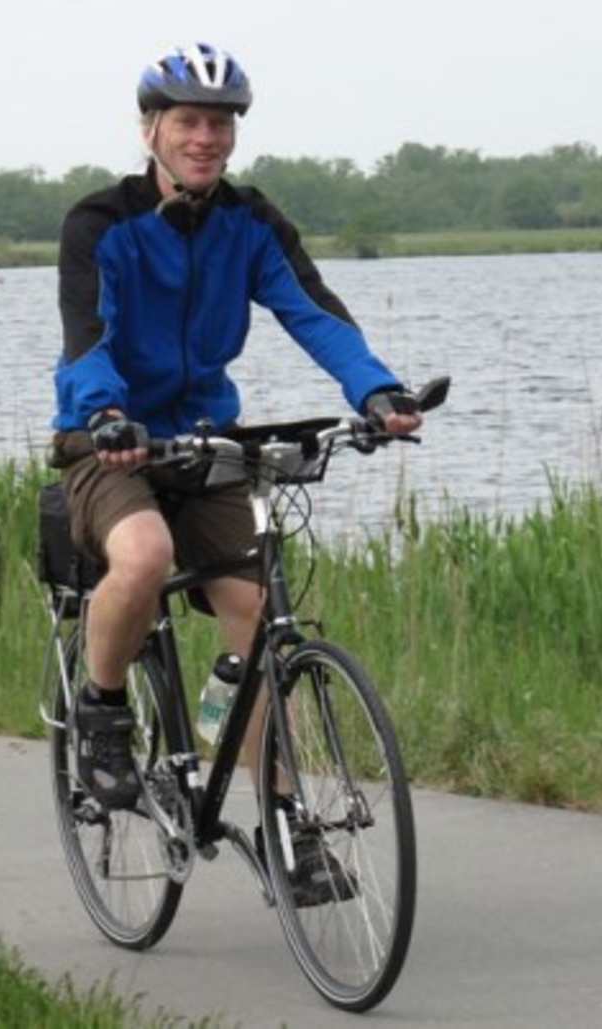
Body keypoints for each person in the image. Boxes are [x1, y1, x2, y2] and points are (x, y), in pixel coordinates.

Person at [51, 43, 422, 903]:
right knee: (139, 557)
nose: (205, 137)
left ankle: (289, 832)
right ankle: (104, 713)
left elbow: (312, 311)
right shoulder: (101, 224)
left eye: (219, 123)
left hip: (205, 442)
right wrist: (106, 415)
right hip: (105, 440)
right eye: (187, 121)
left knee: (258, 618)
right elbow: (86, 337)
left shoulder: (251, 223)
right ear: (152, 129)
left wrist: (375, 391)